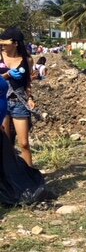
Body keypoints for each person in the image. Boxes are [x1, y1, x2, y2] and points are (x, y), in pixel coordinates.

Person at [0, 27, 35, 166]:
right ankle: (10, 179)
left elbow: (28, 82)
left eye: (5, 42)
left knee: (24, 143)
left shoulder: (27, 60)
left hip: (18, 102)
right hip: (2, 101)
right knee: (6, 144)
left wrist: (31, 98)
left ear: (15, 43)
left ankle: (29, 175)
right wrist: (6, 75)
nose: (2, 45)